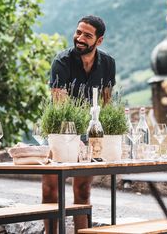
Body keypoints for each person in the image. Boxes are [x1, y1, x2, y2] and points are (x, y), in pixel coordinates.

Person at [43, 15, 116, 233]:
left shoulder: (108, 63)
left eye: (87, 35)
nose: (80, 38)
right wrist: (77, 138)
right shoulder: (62, 61)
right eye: (78, 32)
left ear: (99, 40)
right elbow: (60, 106)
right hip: (60, 131)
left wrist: (101, 137)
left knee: (83, 190)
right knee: (50, 189)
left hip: (90, 133)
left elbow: (106, 103)